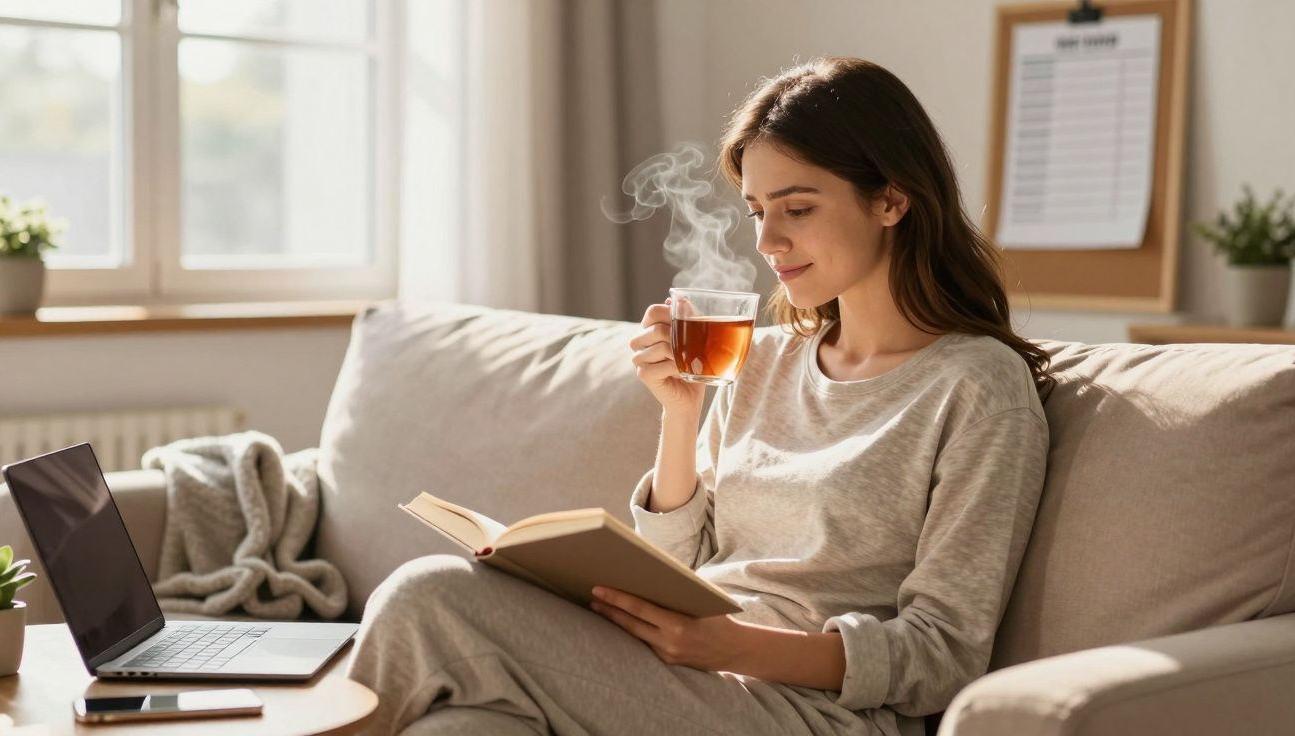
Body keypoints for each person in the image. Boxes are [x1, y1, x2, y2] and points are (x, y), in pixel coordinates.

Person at [347, 56, 1051, 736]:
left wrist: (731, 647)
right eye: (755, 211)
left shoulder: (977, 387)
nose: (769, 241)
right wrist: (679, 414)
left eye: (798, 208)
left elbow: (945, 654)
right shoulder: (764, 359)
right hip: (691, 680)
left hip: (816, 713)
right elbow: (680, 567)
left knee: (428, 593)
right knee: (463, 727)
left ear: (892, 199)